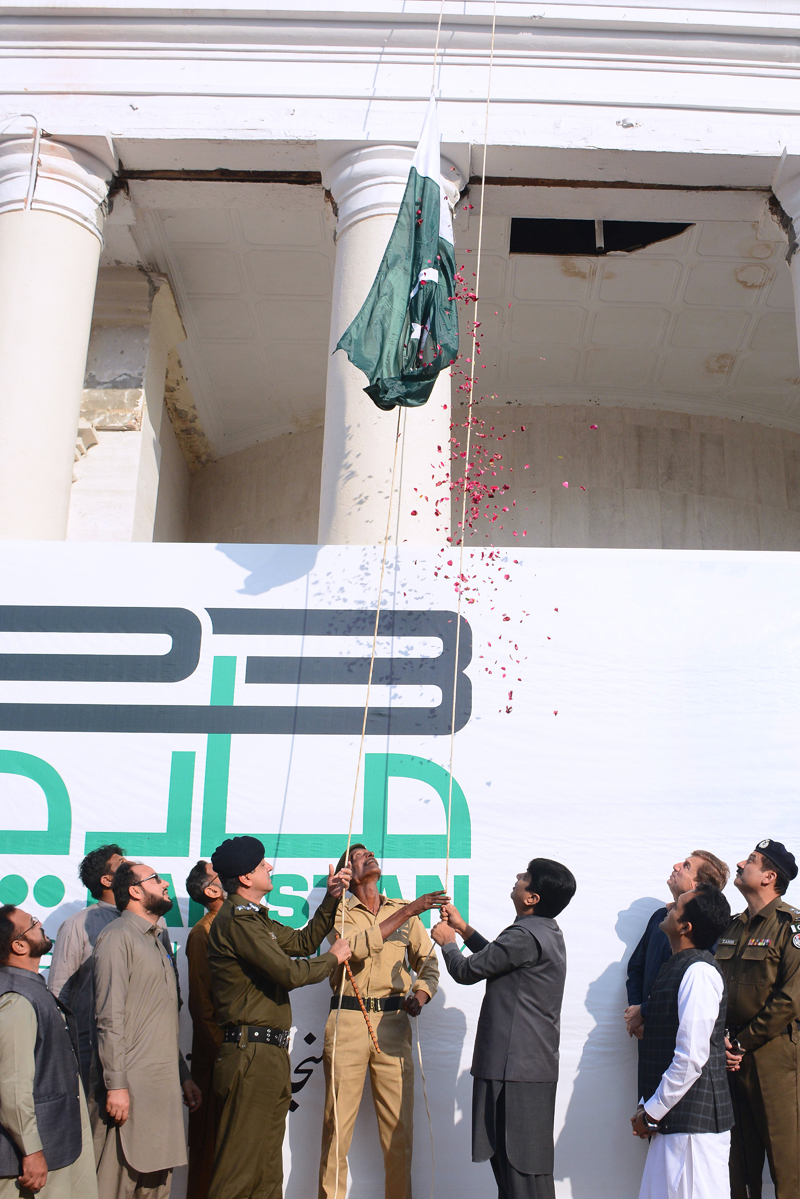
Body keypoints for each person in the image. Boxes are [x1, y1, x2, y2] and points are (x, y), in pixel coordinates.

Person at [206, 835, 352, 1199]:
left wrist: (331, 898)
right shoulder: (238, 922)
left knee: (267, 1169)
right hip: (249, 1054)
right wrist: (333, 958)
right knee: (238, 1171)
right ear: (244, 878)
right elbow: (289, 973)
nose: (269, 867)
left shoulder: (255, 919)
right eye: (260, 866)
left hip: (267, 1054)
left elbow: (302, 943)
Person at [432, 857, 577, 1199]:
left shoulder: (525, 935)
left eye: (526, 876)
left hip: (516, 1070)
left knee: (521, 1172)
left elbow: (468, 972)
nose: (518, 877)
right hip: (523, 1067)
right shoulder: (541, 932)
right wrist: (465, 930)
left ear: (532, 898)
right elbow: (499, 959)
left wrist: (448, 942)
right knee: (517, 1173)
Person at [318, 844, 445, 1199]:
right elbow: (354, 950)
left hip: (393, 1024)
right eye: (358, 856)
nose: (368, 856)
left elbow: (428, 962)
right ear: (347, 873)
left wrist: (420, 994)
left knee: (399, 1133)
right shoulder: (337, 912)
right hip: (348, 1021)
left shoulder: (401, 911)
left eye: (370, 853)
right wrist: (408, 911)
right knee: (336, 1131)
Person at [93, 862, 202, 1199]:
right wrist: (117, 1086)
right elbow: (108, 1018)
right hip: (129, 1097)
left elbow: (162, 1018)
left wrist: (182, 1075)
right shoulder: (116, 937)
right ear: (135, 891)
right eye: (156, 879)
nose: (166, 883)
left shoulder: (159, 940)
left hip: (163, 1094)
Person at [630, 883, 734, 1199]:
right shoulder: (679, 967)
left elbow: (690, 1058)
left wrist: (651, 1113)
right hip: (673, 1125)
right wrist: (648, 1110)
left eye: (676, 906)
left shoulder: (699, 973)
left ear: (685, 927)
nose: (669, 907)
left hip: (694, 1133)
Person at [715, 839, 800, 1199]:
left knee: (786, 1162)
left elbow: (791, 999)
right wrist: (722, 1039)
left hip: (772, 1056)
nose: (739, 863)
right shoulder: (732, 927)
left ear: (769, 876)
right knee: (737, 1161)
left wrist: (742, 1042)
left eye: (750, 860)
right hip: (727, 1056)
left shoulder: (790, 926)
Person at [0, 905, 98, 1199]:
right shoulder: (16, 998)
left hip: (56, 1144)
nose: (40, 923)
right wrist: (32, 1151)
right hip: (34, 1157)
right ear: (19, 945)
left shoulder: (29, 987)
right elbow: (12, 1087)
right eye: (31, 923)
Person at [625, 851, 729, 1045]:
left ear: (697, 886)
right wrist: (636, 1011)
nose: (676, 866)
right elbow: (636, 968)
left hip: (678, 1034)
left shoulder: (708, 929)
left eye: (687, 866)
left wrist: (644, 1011)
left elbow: (686, 986)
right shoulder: (658, 917)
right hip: (646, 1032)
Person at [47, 844, 126, 1093]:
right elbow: (59, 991)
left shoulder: (156, 922)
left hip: (142, 1047)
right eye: (123, 865)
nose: (133, 867)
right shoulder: (77, 925)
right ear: (106, 880)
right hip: (93, 1049)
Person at [184, 860, 225, 1199]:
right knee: (210, 1150)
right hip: (219, 1059)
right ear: (212, 890)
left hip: (246, 1056)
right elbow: (201, 1004)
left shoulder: (250, 923)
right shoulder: (203, 933)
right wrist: (224, 1054)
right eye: (221, 872)